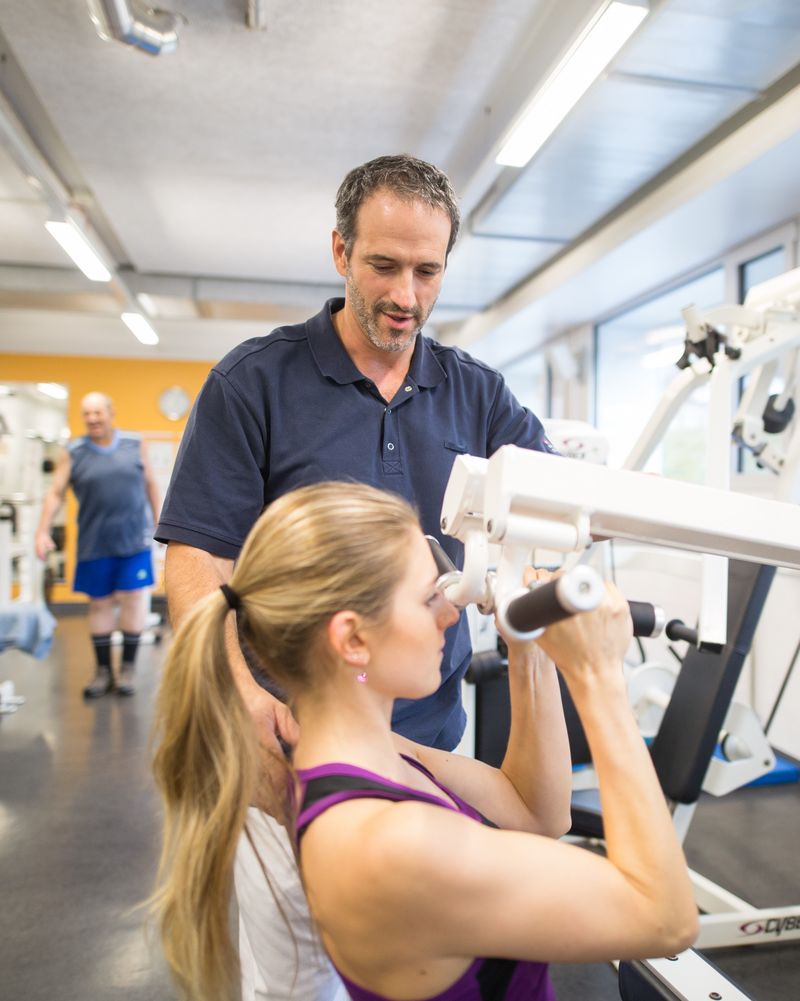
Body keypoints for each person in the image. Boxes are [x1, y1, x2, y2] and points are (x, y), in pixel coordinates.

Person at [154, 153, 557, 998]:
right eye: (382, 265)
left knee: (416, 974)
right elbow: (197, 563)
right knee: (299, 979)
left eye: (427, 270)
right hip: (291, 747)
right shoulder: (253, 383)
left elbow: (553, 518)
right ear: (340, 252)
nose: (405, 295)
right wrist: (243, 697)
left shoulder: (478, 397)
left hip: (427, 744)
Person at [150, 481, 698, 1001]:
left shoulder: (368, 754)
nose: (450, 611)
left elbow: (537, 813)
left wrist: (528, 648)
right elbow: (665, 918)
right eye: (426, 598)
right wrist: (598, 677)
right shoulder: (392, 843)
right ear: (353, 639)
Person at [36, 391, 160, 698]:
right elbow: (55, 493)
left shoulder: (135, 444)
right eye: (86, 414)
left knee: (133, 600)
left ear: (110, 412)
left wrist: (161, 523)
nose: (92, 419)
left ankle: (128, 669)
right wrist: (42, 530)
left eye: (97, 413)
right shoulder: (74, 451)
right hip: (95, 542)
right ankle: (103, 671)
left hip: (134, 539)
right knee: (100, 604)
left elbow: (151, 484)